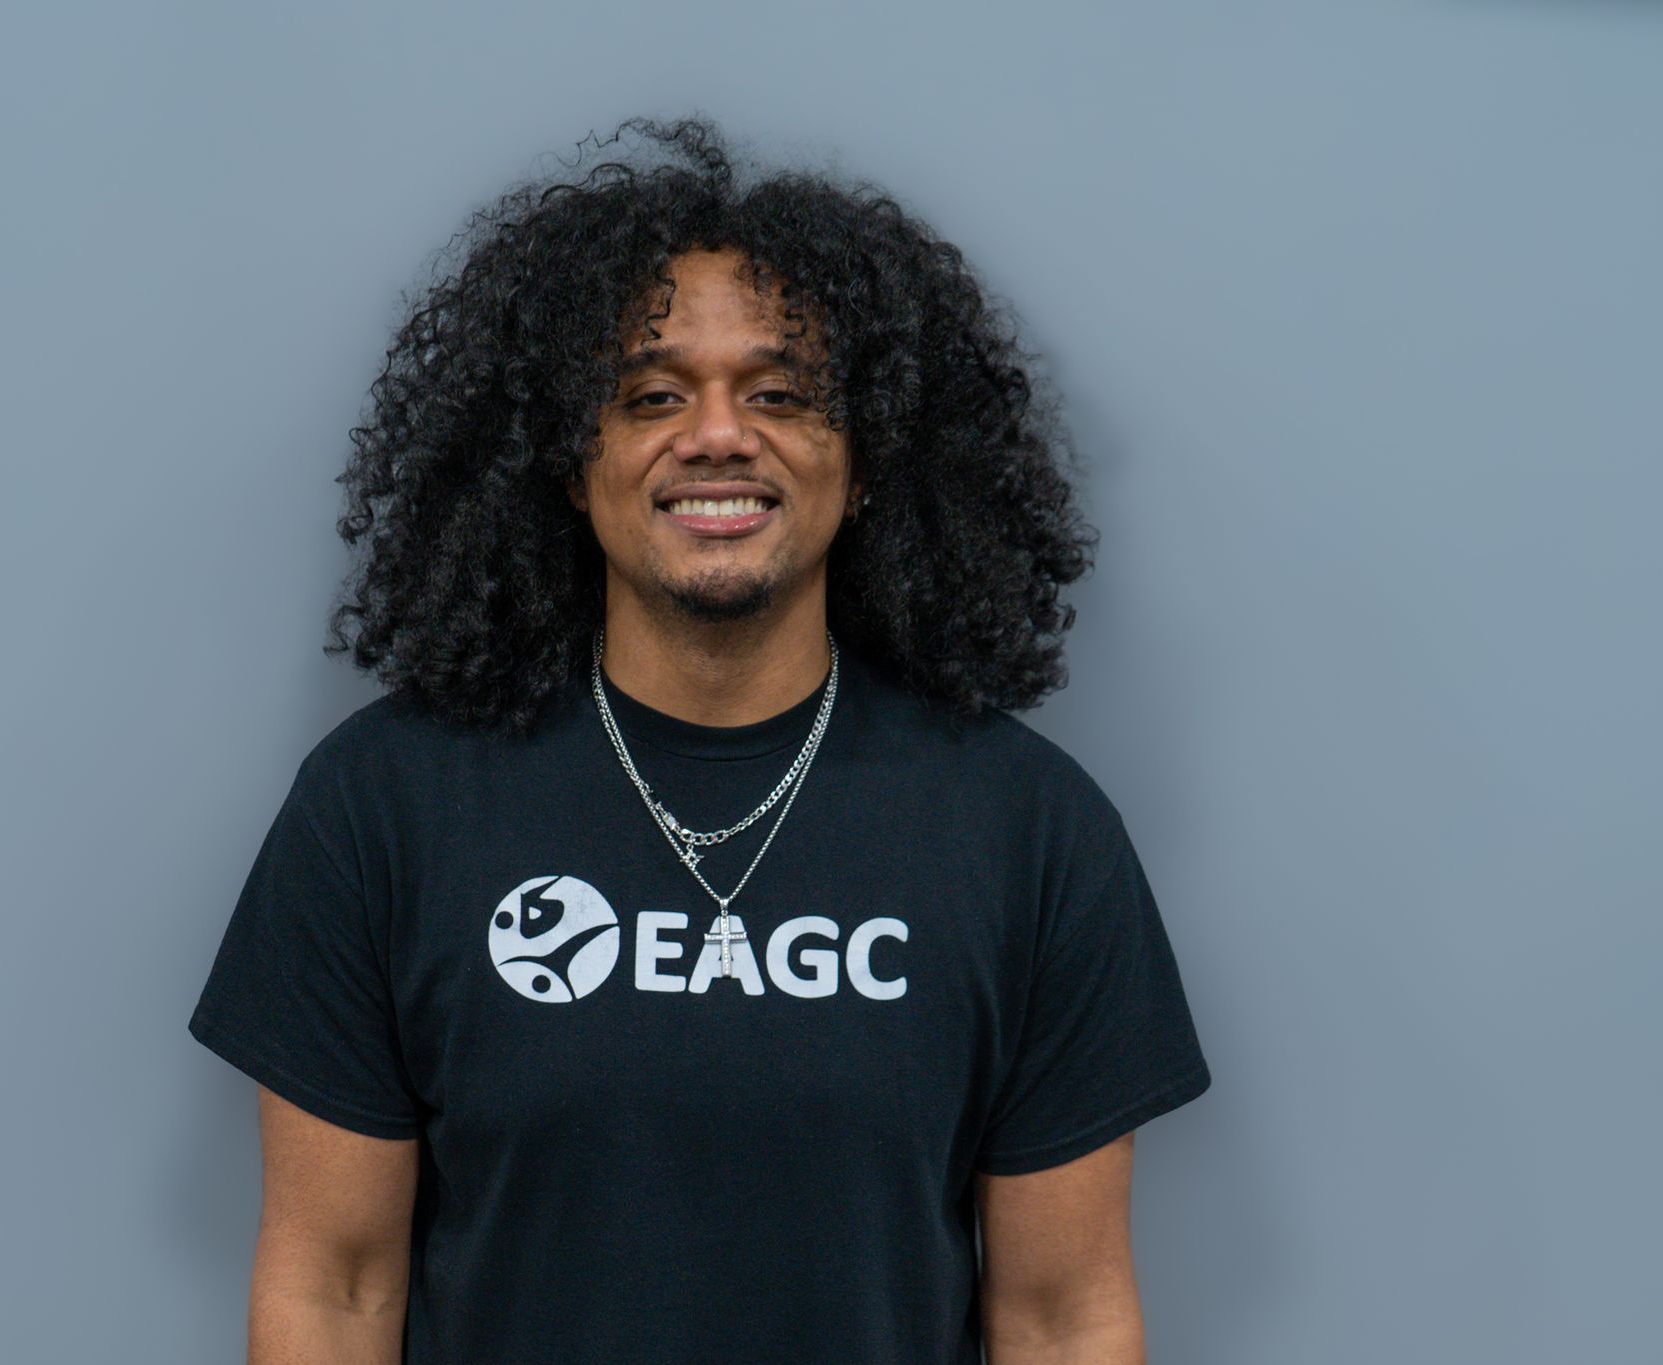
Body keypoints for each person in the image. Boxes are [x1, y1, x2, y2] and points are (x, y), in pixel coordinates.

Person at [188, 113, 1212, 1364]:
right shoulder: (383, 808)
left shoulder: (1030, 831)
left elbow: (1064, 1317)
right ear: (573, 461)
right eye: (649, 395)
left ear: (869, 452)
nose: (718, 434)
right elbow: (332, 1290)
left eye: (782, 393)